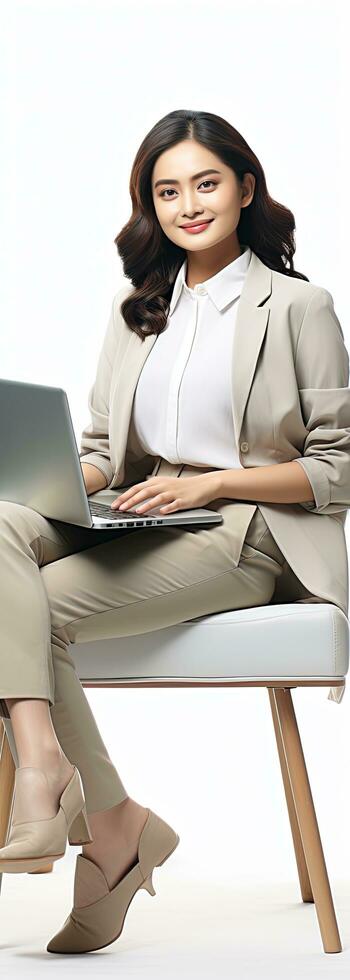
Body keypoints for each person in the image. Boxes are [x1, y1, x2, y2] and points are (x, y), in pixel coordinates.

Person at [0, 108, 349, 956]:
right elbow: (99, 451)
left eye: (205, 182)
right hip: (141, 512)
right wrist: (59, 487)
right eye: (167, 190)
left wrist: (221, 478)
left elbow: (339, 469)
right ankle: (100, 809)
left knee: (28, 608)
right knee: (3, 523)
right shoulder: (136, 312)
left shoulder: (298, 306)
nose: (188, 203)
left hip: (251, 528)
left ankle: (80, 804)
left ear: (244, 188)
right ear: (148, 207)